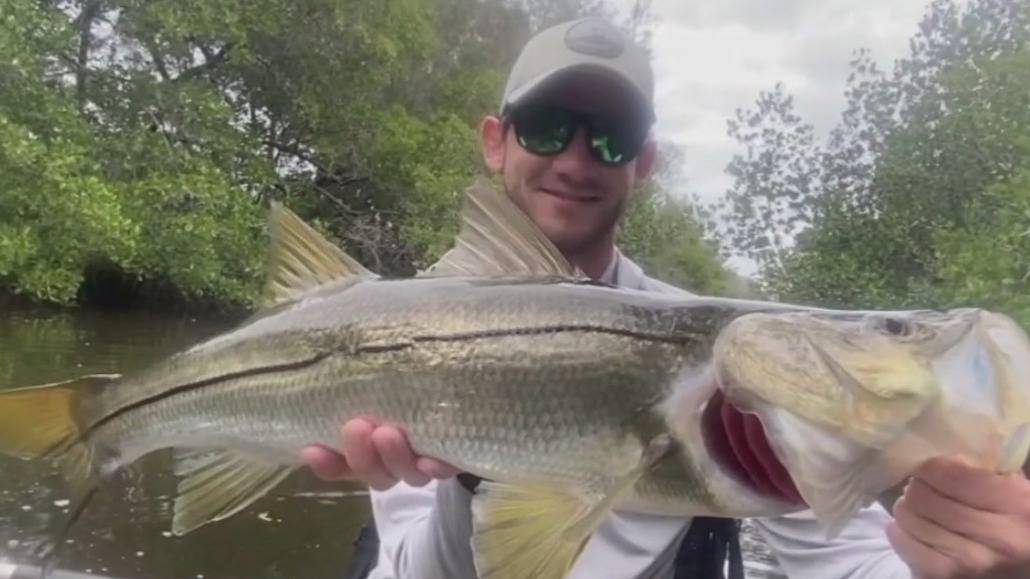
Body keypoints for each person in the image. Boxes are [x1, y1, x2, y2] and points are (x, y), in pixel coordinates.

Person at [303, 16, 1030, 579]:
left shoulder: (742, 370)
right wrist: (473, 473)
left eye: (612, 138)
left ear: (644, 164)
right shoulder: (398, 326)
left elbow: (852, 563)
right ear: (497, 141)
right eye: (551, 127)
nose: (577, 159)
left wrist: (979, 561)